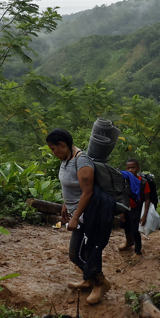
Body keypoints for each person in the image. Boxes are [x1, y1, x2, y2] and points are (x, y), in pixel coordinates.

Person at [46, 128, 115, 304]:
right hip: (77, 213)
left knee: (88, 251)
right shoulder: (66, 159)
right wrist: (65, 205)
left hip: (89, 215)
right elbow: (71, 186)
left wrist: (75, 217)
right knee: (74, 254)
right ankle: (90, 279)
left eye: (54, 149)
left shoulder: (82, 161)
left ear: (62, 145)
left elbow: (87, 192)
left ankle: (100, 284)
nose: (53, 153)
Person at [118, 158, 151, 256]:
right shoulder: (124, 180)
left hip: (136, 208)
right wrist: (121, 211)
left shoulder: (143, 182)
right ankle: (129, 242)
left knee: (135, 229)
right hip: (125, 207)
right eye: (128, 168)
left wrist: (144, 215)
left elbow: (147, 199)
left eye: (133, 167)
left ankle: (137, 250)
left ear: (138, 168)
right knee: (125, 226)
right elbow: (120, 196)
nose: (130, 170)